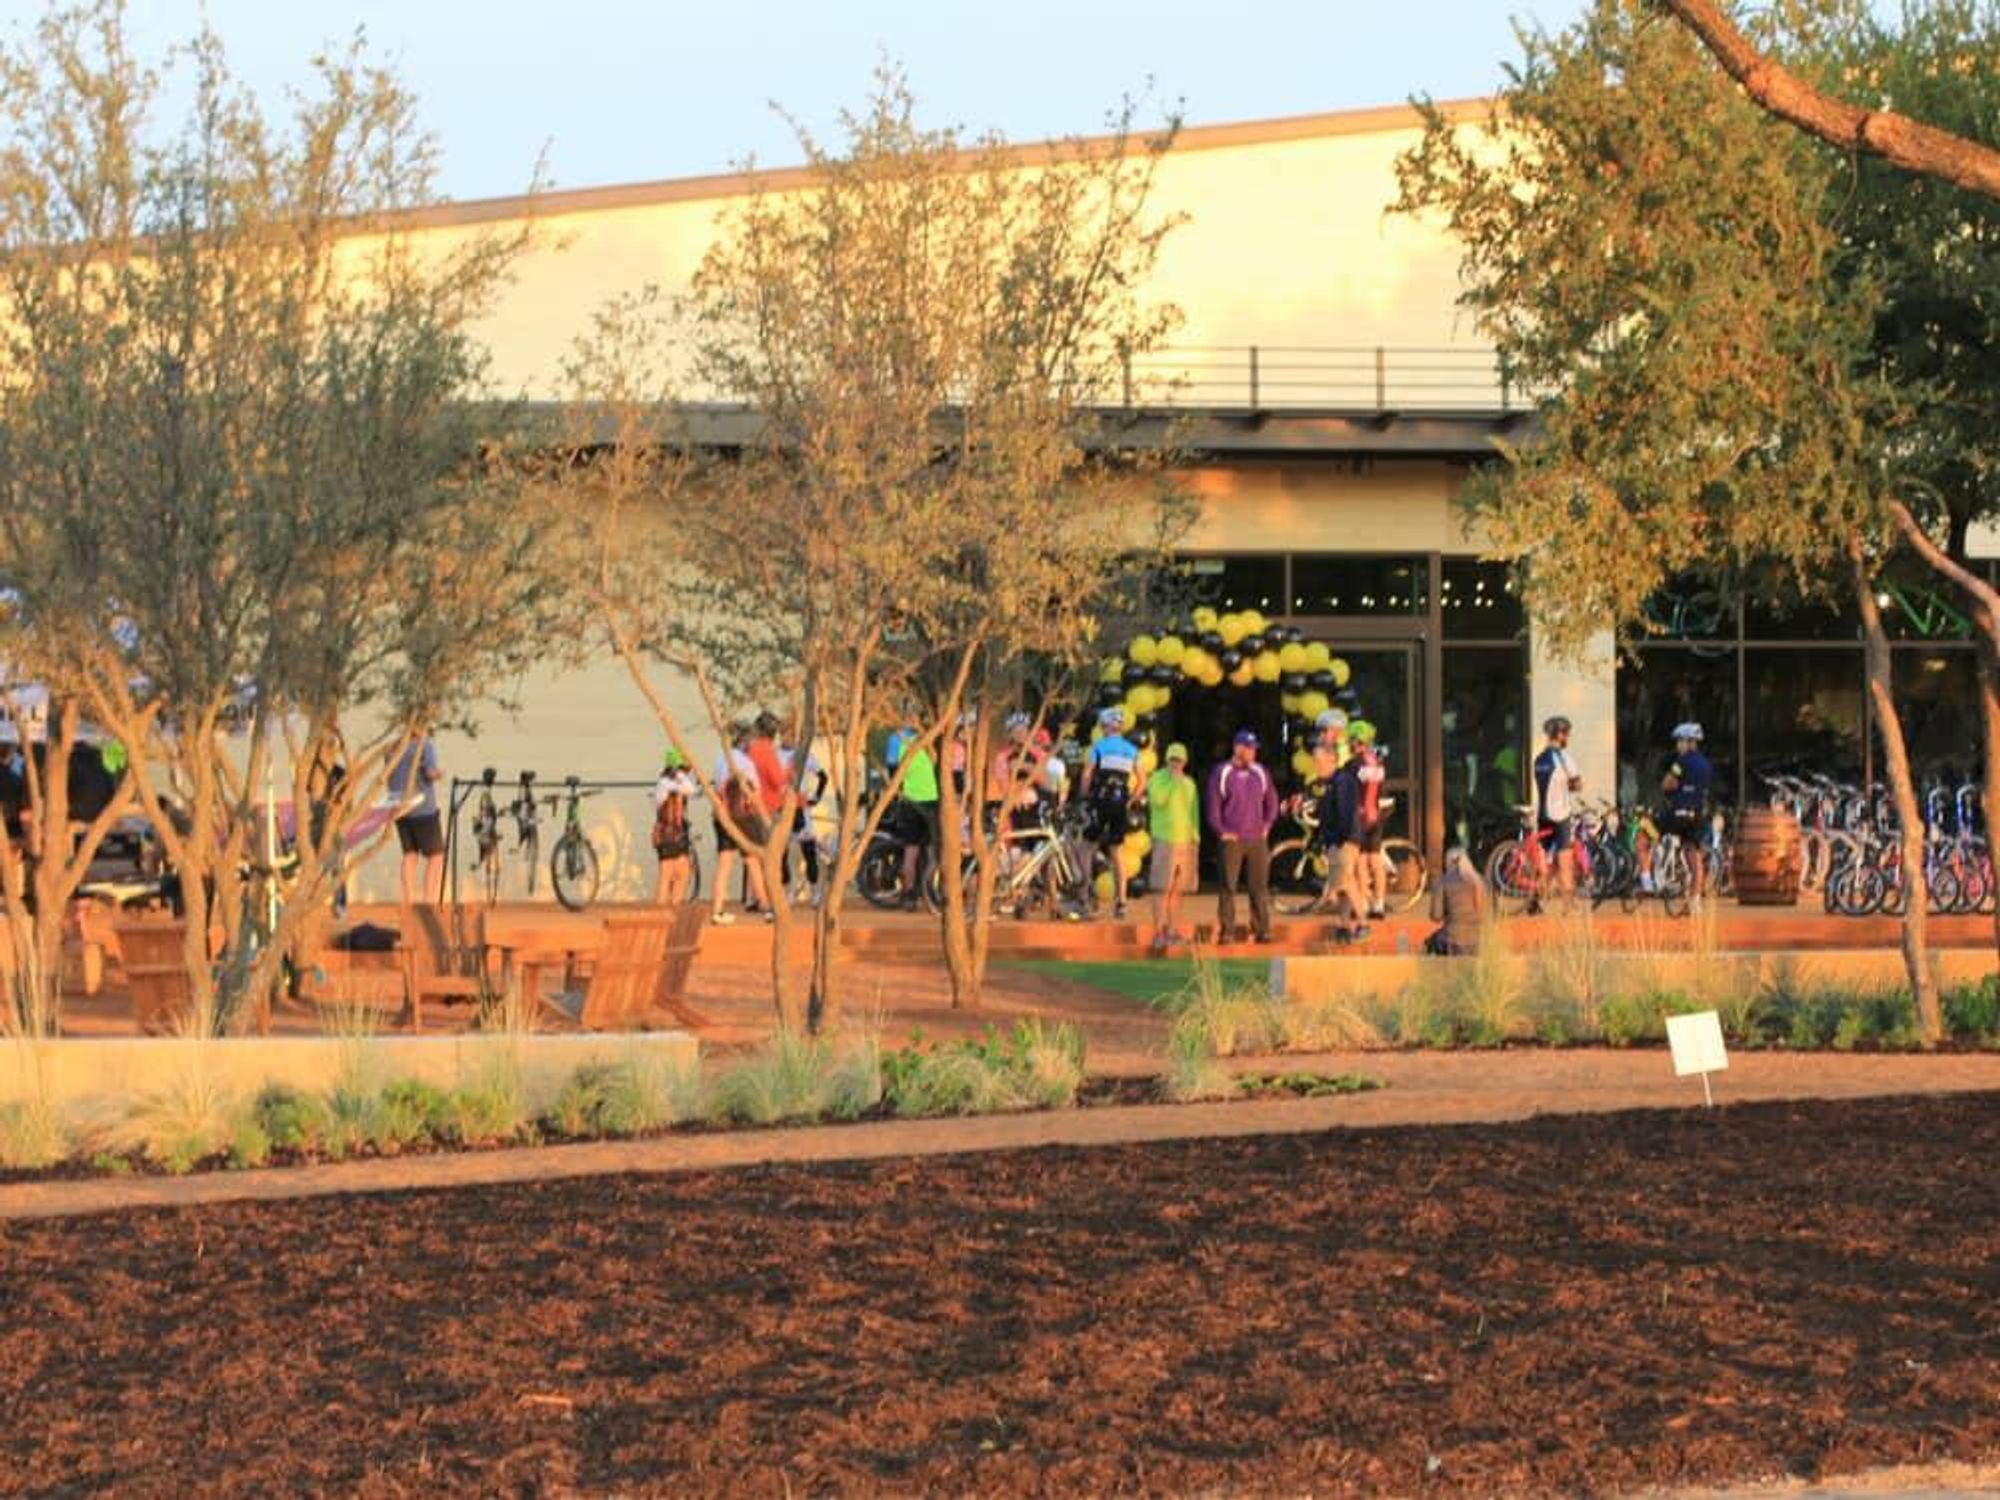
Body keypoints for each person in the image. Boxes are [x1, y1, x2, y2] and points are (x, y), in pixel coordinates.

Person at [1205, 728, 1279, 943]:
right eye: (1249, 749)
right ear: (1237, 748)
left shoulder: (1260, 771)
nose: (1253, 753)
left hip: (1257, 838)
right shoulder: (1222, 772)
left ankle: (1262, 929)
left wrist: (1267, 825)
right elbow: (1213, 806)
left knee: (1259, 887)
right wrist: (1221, 831)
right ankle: (1227, 931)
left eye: (1254, 749)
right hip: (1232, 839)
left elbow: (1272, 800)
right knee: (1228, 886)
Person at [1081, 707, 1140, 919]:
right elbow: (1142, 780)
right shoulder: (1132, 750)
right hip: (1120, 803)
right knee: (1117, 852)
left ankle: (1085, 894)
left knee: (1086, 848)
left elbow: (1087, 775)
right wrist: (1130, 800)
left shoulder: (1099, 747)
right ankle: (1122, 902)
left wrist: (1084, 795)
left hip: (1099, 802)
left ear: (1106, 727)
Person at [711, 722, 772, 925]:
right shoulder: (746, 762)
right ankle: (765, 905)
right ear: (744, 741)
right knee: (753, 860)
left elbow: (718, 786)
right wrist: (765, 818)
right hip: (743, 816)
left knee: (724, 863)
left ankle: (717, 909)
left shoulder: (720, 758)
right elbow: (754, 794)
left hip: (722, 816)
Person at [1142, 742, 1200, 950]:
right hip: (1164, 839)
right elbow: (1158, 800)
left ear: (1185, 762)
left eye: (1179, 760)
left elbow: (1193, 811)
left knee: (1178, 889)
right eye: (1172, 759)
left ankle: (1173, 930)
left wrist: (1196, 837)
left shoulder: (1190, 783)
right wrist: (1173, 782)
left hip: (1186, 841)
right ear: (1166, 760)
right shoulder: (1157, 779)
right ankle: (1159, 932)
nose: (1176, 764)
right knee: (1161, 888)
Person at [1316, 743, 1368, 943]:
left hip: (1345, 839)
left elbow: (1346, 813)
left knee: (1346, 881)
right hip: (1336, 839)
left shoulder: (1343, 781)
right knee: (1344, 883)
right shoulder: (1330, 783)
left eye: (1319, 761)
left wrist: (1339, 840)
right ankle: (1344, 924)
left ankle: (1363, 922)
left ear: (1332, 760)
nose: (1317, 766)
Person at [387, 731, 444, 906]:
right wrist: (439, 774)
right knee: (436, 856)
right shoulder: (424, 745)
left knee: (409, 855)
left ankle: (408, 901)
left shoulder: (392, 747)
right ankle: (429, 902)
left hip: (399, 808)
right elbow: (430, 773)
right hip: (423, 809)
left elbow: (389, 778)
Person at [888, 724, 940, 909]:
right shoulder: (928, 737)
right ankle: (927, 892)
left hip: (912, 801)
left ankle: (910, 894)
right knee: (930, 852)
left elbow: (892, 772)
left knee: (912, 851)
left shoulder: (896, 741)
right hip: (928, 801)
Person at [1661, 721, 1715, 900]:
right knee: (1692, 852)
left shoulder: (1681, 762)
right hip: (1696, 815)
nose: (1678, 746)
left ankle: (1647, 881)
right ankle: (1695, 899)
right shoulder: (1706, 764)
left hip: (1677, 814)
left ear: (1689, 742)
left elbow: (1667, 783)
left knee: (1643, 836)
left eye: (1680, 741)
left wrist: (1673, 787)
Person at [1532, 715, 1583, 897]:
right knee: (1565, 860)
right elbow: (1577, 785)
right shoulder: (1564, 758)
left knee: (1546, 860)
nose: (1568, 738)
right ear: (1559, 735)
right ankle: (1569, 903)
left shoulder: (1539, 759)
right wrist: (1570, 785)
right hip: (1560, 816)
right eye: (1566, 734)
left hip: (1543, 816)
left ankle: (1536, 896)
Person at [1348, 720, 1389, 919]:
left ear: (1358, 741)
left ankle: (1363, 903)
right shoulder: (1378, 762)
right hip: (1376, 816)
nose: (1349, 743)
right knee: (1376, 861)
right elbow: (1380, 789)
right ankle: (1379, 904)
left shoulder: (1353, 764)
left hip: (1359, 817)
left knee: (1360, 861)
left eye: (1351, 740)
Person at [652, 747, 699, 906]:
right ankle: (661, 911)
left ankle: (673, 907)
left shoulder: (666, 782)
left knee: (682, 872)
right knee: (667, 873)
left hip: (675, 832)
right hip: (668, 833)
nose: (685, 772)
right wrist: (679, 774)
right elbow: (690, 789)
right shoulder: (666, 783)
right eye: (682, 769)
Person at [1426, 846, 1486, 956]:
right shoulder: (1480, 881)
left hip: (1453, 939)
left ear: (1447, 862)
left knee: (1430, 943)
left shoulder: (1442, 881)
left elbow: (1436, 916)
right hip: (1480, 940)